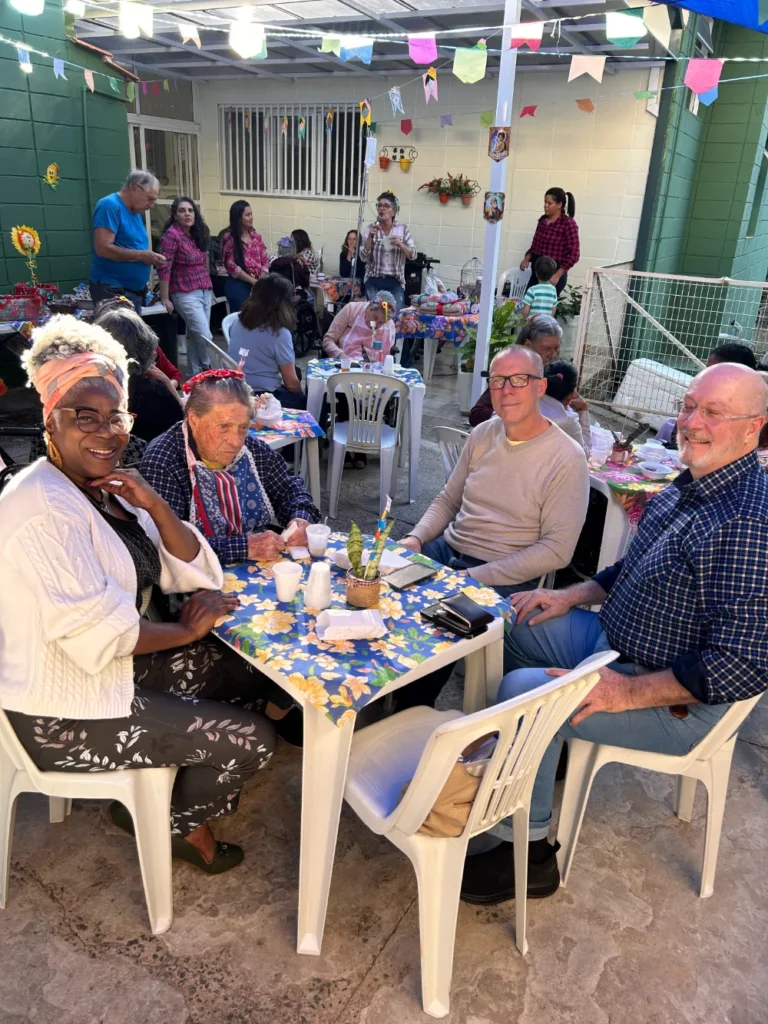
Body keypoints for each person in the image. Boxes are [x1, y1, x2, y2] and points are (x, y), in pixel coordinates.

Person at [461, 361, 768, 905]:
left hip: (672, 697)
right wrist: (568, 595)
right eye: (689, 406)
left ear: (753, 428)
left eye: (713, 412)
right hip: (616, 641)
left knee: (526, 696)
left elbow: (740, 664)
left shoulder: (746, 521)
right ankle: (531, 764)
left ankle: (527, 855)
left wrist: (624, 692)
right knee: (511, 621)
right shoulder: (696, 481)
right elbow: (634, 566)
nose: (692, 422)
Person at [0, 315, 291, 874]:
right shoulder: (40, 507)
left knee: (254, 673)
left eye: (116, 417)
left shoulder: (101, 488)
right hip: (59, 713)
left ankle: (164, 790)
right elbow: (96, 632)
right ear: (49, 419)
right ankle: (174, 823)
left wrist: (153, 504)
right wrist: (184, 630)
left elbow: (189, 567)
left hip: (108, 675)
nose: (106, 431)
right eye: (85, 416)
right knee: (253, 739)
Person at [401, 345, 588, 594]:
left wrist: (470, 576)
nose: (506, 390)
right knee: (377, 585)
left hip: (505, 574)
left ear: (541, 387)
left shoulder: (568, 457)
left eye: (520, 379)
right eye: (498, 380)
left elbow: (556, 549)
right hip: (447, 550)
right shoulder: (482, 434)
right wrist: (416, 538)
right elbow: (448, 500)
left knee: (433, 615)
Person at [139, 368, 320, 565]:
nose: (236, 442)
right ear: (194, 420)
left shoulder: (251, 449)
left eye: (243, 427)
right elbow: (166, 545)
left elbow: (289, 489)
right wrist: (245, 547)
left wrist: (300, 520)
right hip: (196, 575)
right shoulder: (163, 462)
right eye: (223, 427)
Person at [93, 302, 184, 443]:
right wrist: (168, 385)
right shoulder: (151, 390)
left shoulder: (89, 383)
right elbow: (182, 427)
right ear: (145, 345)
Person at [89, 170, 166, 313]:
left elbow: (133, 245)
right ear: (135, 188)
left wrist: (150, 257)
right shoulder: (110, 205)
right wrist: (143, 256)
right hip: (112, 289)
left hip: (133, 291)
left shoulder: (134, 211)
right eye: (150, 199)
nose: (151, 205)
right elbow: (103, 248)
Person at [469, 315, 563, 428]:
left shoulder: (558, 373)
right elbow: (476, 414)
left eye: (556, 349)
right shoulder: (511, 370)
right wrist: (508, 416)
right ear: (527, 345)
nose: (552, 355)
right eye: (546, 349)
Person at [230, 274, 306, 410]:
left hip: (235, 388)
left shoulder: (238, 321)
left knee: (296, 372)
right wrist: (303, 396)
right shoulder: (279, 333)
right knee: (311, 402)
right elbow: (291, 384)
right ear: (285, 303)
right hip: (259, 398)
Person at [157, 196, 214, 377]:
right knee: (205, 336)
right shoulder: (172, 235)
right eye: (182, 211)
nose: (187, 214)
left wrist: (209, 285)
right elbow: (164, 267)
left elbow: (204, 261)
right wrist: (164, 297)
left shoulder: (197, 233)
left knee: (197, 336)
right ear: (175, 215)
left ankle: (194, 376)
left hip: (204, 290)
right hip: (185, 292)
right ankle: (210, 368)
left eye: (190, 210)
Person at [360, 191, 416, 310]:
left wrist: (401, 244)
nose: (382, 208)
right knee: (375, 316)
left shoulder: (402, 229)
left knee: (394, 317)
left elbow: (413, 255)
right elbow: (363, 257)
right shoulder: (371, 228)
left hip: (394, 282)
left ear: (394, 212)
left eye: (386, 206)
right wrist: (370, 237)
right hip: (374, 281)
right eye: (379, 205)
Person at [521, 188, 580, 297]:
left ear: (559, 205)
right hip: (537, 273)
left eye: (549, 203)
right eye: (545, 202)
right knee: (528, 302)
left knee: (545, 305)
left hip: (553, 274)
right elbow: (535, 246)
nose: (545, 206)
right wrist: (527, 258)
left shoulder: (568, 224)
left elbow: (574, 254)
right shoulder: (542, 221)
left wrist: (557, 275)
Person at [220, 200, 269, 313]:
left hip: (258, 283)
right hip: (239, 283)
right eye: (248, 215)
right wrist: (253, 281)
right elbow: (231, 265)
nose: (251, 217)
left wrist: (259, 282)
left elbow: (265, 261)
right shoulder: (229, 238)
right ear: (238, 218)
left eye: (251, 214)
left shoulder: (256, 237)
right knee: (243, 317)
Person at [321, 293, 396, 361]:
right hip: (346, 362)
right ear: (370, 306)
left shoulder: (390, 325)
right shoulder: (351, 309)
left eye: (381, 322)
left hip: (376, 367)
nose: (376, 324)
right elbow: (328, 340)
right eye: (375, 317)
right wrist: (340, 355)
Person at [541, 360, 591, 458]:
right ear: (570, 396)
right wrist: (583, 410)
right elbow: (584, 455)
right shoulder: (568, 421)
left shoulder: (528, 403)